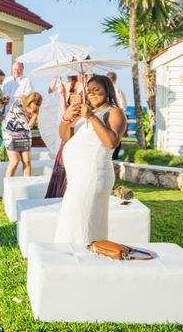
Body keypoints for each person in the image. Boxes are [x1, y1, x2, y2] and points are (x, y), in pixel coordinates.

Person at [54, 75, 127, 244]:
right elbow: (65, 136)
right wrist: (66, 117)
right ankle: (72, 256)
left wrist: (91, 118)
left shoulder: (115, 112)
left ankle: (85, 255)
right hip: (77, 177)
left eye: (97, 90)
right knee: (73, 220)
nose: (92, 94)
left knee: (85, 222)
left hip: (93, 175)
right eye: (89, 91)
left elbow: (111, 142)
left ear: (107, 90)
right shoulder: (86, 113)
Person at [2, 92, 43, 178]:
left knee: (27, 161)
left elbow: (29, 127)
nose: (33, 109)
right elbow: (24, 123)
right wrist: (31, 112)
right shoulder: (19, 102)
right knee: (15, 161)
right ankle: (7, 188)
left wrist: (35, 115)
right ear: (30, 100)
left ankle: (26, 185)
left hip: (24, 133)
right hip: (10, 132)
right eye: (33, 105)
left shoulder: (35, 110)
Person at [107, 71, 128, 160]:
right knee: (115, 137)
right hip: (115, 114)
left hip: (113, 115)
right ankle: (113, 156)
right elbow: (124, 105)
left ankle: (113, 156)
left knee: (114, 137)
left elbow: (122, 106)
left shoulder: (114, 90)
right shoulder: (118, 90)